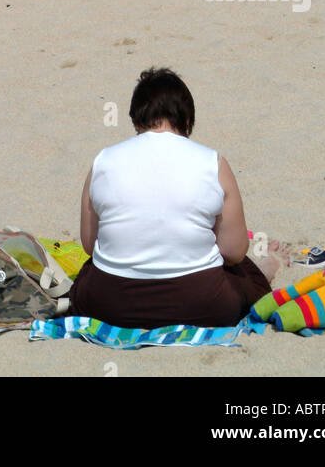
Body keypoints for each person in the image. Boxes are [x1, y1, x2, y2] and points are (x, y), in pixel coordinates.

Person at [70, 68, 284, 328]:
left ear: (137, 119)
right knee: (244, 272)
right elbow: (234, 252)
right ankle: (268, 268)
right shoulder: (213, 163)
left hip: (109, 305)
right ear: (187, 119)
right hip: (202, 304)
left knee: (87, 273)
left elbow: (91, 246)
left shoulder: (103, 160)